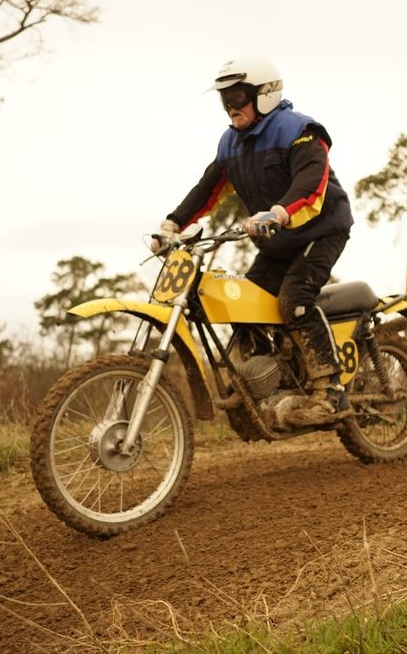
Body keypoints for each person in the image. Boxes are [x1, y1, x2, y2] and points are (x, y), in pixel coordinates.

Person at [151, 54, 354, 426]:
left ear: (264, 94)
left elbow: (311, 184)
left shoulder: (300, 131)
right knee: (243, 304)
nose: (231, 106)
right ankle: (266, 387)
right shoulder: (231, 144)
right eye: (224, 98)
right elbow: (207, 190)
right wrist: (172, 224)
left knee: (295, 299)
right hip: (277, 242)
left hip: (321, 230)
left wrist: (278, 213)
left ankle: (331, 393)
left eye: (238, 96)